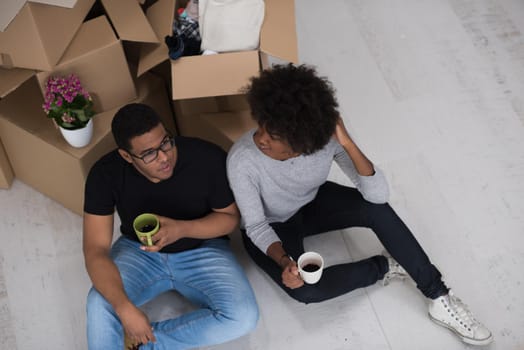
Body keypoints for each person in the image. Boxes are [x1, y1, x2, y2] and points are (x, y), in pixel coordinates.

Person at [226, 64, 493, 346]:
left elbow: (378, 195)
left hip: (311, 201)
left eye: (275, 136)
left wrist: (348, 143)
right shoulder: (243, 160)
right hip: (272, 226)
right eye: (264, 126)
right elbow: (255, 225)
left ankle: (439, 297)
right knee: (306, 291)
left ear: (301, 143)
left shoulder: (321, 142)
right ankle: (385, 266)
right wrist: (284, 261)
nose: (263, 139)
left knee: (375, 209)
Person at [83, 103, 258, 350]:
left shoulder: (206, 157)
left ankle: (146, 343)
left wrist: (182, 229)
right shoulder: (104, 174)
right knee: (98, 303)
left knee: (244, 316)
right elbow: (94, 250)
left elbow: (230, 217)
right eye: (149, 153)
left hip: (202, 246)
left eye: (165, 142)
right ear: (126, 155)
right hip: (139, 251)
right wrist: (124, 308)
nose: (164, 157)